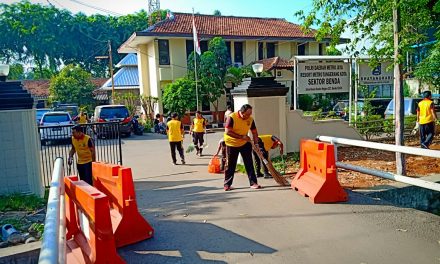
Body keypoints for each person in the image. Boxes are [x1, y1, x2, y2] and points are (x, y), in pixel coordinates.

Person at [223, 104, 261, 191]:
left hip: (244, 143)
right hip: (231, 143)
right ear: (242, 112)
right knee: (231, 165)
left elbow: (254, 132)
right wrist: (241, 137)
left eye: (250, 114)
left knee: (249, 163)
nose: (249, 116)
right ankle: (227, 184)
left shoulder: (250, 119)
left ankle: (253, 183)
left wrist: (256, 144)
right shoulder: (232, 117)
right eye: (247, 114)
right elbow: (228, 132)